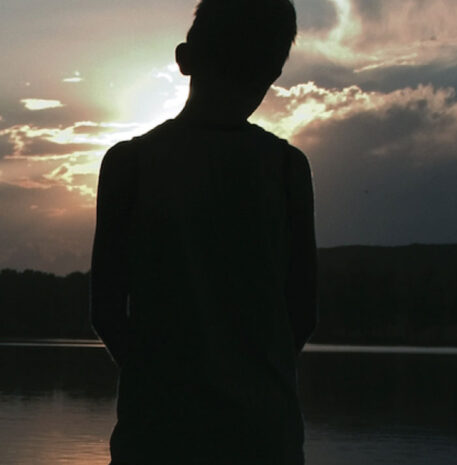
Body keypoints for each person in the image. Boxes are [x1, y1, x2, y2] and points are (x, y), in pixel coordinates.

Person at [90, 0, 317, 463]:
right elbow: (303, 311)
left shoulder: (128, 165)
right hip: (264, 437)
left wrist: (157, 383)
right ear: (273, 74)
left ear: (184, 58)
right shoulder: (287, 169)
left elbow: (106, 311)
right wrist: (252, 380)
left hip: (156, 436)